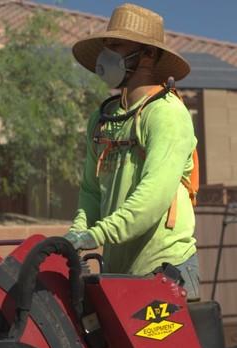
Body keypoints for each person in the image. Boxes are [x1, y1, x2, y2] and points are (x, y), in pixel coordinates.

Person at [65, 3, 200, 300]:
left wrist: (96, 235)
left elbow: (154, 195)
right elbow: (91, 190)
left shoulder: (167, 114)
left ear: (148, 54)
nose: (106, 55)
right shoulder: (102, 120)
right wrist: (77, 232)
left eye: (115, 45)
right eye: (105, 46)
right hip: (118, 271)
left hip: (165, 269)